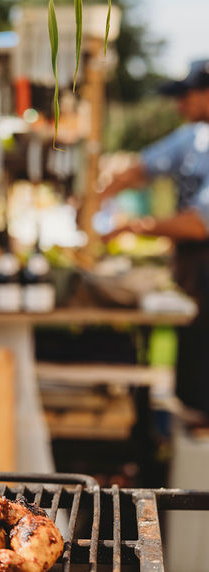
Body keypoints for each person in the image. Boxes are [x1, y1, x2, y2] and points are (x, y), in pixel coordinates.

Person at [97, 58, 209, 428]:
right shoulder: (193, 136)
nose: (179, 104)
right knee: (193, 369)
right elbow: (142, 168)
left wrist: (134, 225)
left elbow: (200, 225)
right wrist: (101, 192)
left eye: (186, 95)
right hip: (196, 275)